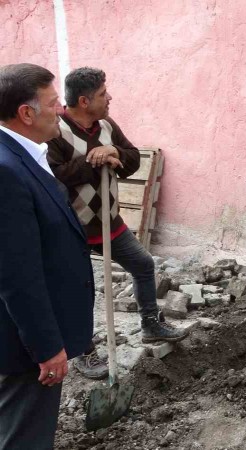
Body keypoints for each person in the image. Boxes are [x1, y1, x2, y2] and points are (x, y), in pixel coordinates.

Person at [46, 67, 188, 380]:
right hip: (72, 229)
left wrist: (113, 151)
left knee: (143, 264)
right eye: (102, 94)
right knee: (79, 290)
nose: (109, 98)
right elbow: (53, 176)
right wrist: (93, 160)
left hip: (109, 221)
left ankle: (150, 324)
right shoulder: (56, 130)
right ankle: (83, 351)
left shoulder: (107, 126)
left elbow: (132, 159)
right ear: (84, 101)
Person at [0, 63, 94, 449]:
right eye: (54, 103)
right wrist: (47, 347)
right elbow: (17, 275)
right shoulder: (6, 170)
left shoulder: (24, 155)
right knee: (26, 438)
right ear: (26, 113)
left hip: (26, 337)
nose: (62, 110)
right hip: (24, 348)